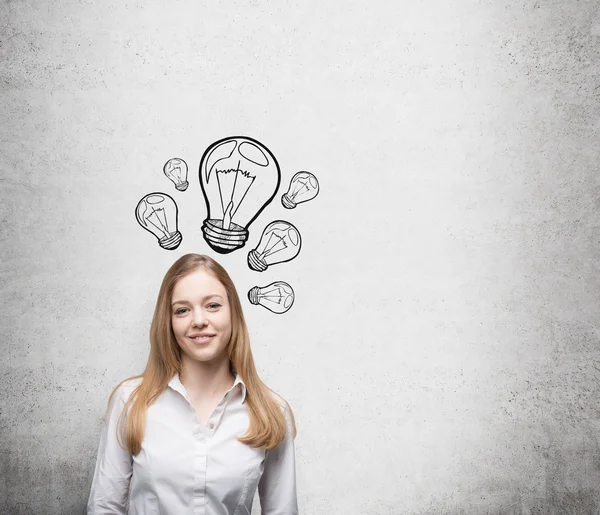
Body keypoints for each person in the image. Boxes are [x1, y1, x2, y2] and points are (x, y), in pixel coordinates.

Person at [87, 253, 298, 514]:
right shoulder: (129, 401)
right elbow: (105, 507)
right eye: (182, 310)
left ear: (233, 314)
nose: (198, 320)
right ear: (169, 322)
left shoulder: (272, 412)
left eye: (212, 305)